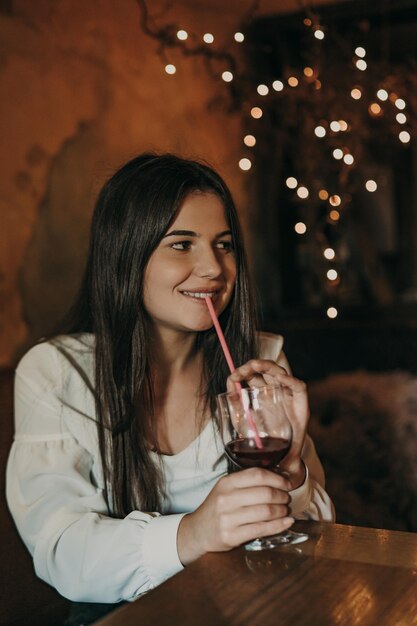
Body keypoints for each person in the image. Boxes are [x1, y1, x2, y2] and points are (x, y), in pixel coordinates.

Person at [6, 153, 334, 622]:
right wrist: (193, 534)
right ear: (126, 253)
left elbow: (318, 534)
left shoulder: (260, 361)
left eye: (224, 245)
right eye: (182, 244)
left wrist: (290, 467)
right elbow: (60, 551)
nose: (214, 269)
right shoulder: (57, 372)